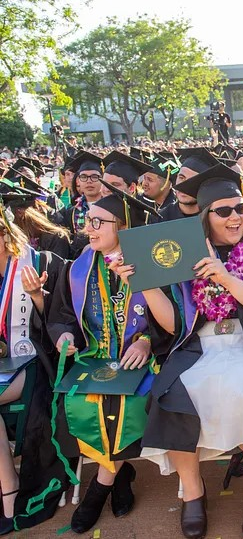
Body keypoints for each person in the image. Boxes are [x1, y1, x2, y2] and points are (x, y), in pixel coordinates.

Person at [137, 164, 243, 539]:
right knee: (171, 394)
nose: (235, 217)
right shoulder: (183, 258)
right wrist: (143, 282)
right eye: (223, 211)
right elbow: (174, 325)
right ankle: (192, 492)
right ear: (205, 216)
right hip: (199, 346)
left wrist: (225, 277)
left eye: (241, 208)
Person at [46, 187, 159, 533]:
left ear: (123, 227)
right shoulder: (79, 267)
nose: (88, 228)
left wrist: (147, 340)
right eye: (87, 221)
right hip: (95, 358)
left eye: (98, 222)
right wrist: (63, 335)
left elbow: (174, 316)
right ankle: (120, 474)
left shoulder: (150, 261)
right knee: (81, 400)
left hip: (143, 361)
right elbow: (63, 314)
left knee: (127, 400)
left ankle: (99, 487)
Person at [0, 196, 72, 535]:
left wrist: (39, 297)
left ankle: (11, 492)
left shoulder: (41, 262)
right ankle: (8, 484)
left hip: (35, 362)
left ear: (4, 234)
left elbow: (62, 322)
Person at [53, 151, 105, 259]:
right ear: (78, 181)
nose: (89, 181)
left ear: (103, 179)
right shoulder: (71, 213)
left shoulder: (113, 208)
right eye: (84, 177)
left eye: (94, 177)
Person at [158, 148, 220, 222]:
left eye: (193, 180)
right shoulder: (159, 218)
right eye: (181, 177)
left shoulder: (216, 219)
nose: (184, 185)